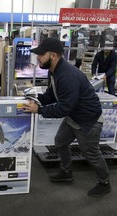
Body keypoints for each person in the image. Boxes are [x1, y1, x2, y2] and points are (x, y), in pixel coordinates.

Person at [24, 37, 110, 197]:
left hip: (88, 121)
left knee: (91, 153)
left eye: (41, 54)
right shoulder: (54, 71)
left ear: (53, 55)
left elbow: (64, 107)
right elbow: (53, 94)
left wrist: (39, 110)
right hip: (74, 116)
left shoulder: (68, 75)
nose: (38, 58)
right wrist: (38, 99)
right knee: (60, 141)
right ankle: (66, 171)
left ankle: (104, 182)